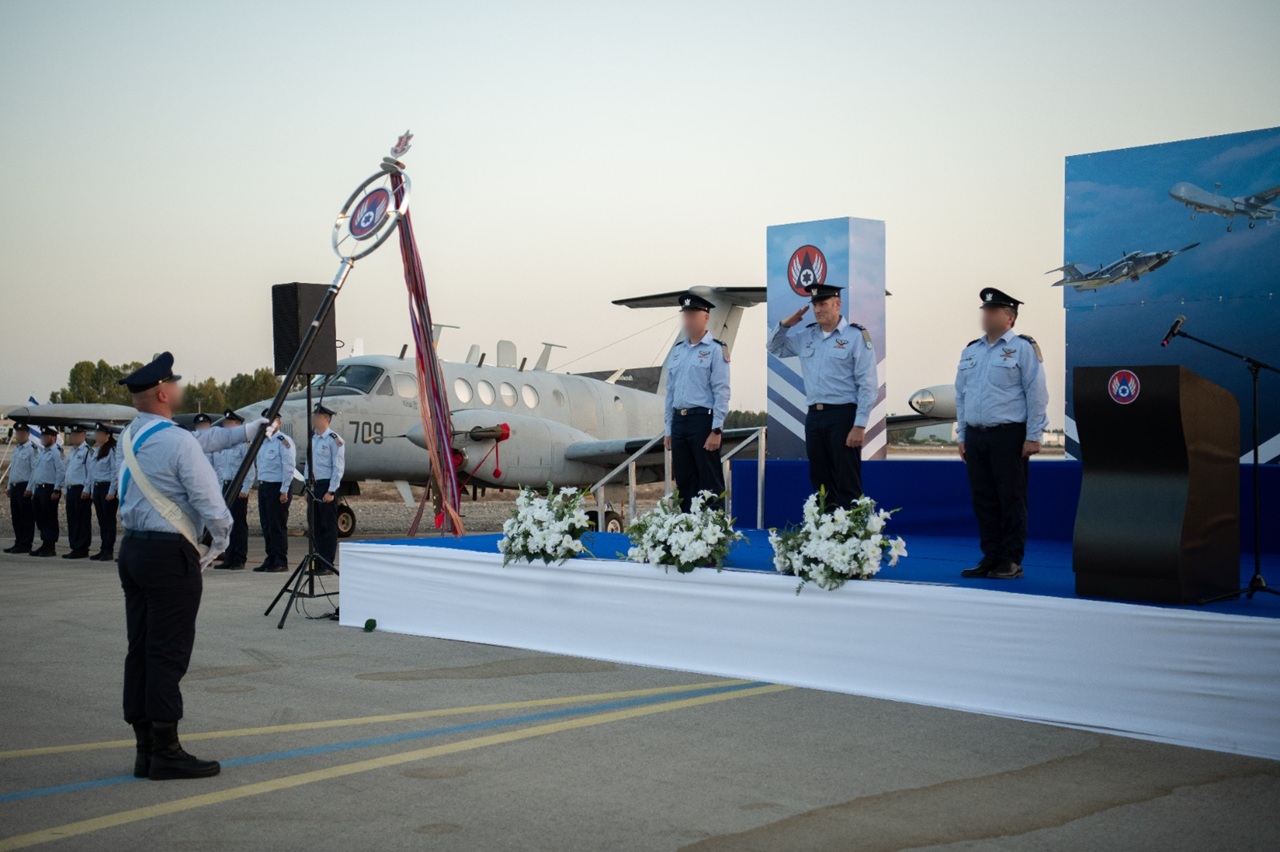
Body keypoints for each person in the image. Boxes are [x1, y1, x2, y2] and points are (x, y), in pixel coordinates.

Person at [114, 351, 262, 780]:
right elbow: (210, 501)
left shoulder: (134, 435)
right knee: (168, 652)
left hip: (134, 551)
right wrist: (221, 541)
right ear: (163, 393)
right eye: (174, 382)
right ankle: (167, 751)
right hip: (168, 556)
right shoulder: (177, 441)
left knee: (141, 649)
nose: (178, 386)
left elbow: (203, 442)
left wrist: (250, 430)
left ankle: (145, 749)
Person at [955, 287, 1049, 580]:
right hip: (976, 436)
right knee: (983, 499)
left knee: (1011, 499)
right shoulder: (971, 350)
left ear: (1010, 317)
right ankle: (991, 556)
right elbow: (961, 395)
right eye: (984, 310)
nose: (986, 314)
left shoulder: (1023, 348)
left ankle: (1011, 560)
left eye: (992, 310)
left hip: (1008, 435)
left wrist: (1033, 435)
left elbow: (1036, 393)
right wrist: (962, 435)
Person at [767, 282, 878, 508]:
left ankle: (851, 527)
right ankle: (825, 527)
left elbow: (868, 384)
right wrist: (785, 325)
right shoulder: (807, 336)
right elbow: (774, 347)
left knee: (847, 480)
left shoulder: (856, 336)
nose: (817, 310)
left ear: (837, 304)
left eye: (823, 304)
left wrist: (860, 425)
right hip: (815, 417)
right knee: (820, 481)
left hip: (843, 416)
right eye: (815, 305)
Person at [662, 292, 731, 512]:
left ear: (706, 318)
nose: (688, 320)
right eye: (686, 315)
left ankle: (715, 527)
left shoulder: (715, 350)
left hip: (702, 421)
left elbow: (722, 392)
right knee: (684, 482)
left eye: (693, 315)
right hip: (679, 422)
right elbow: (670, 393)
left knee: (709, 481)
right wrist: (668, 429)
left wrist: (717, 429)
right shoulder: (677, 351)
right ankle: (687, 526)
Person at [304, 403, 346, 574]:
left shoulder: (334, 440)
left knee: (327, 526)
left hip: (327, 486)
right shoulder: (313, 439)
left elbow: (338, 467)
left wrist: (331, 491)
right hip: (314, 486)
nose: (314, 419)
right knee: (315, 527)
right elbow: (308, 464)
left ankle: (327, 563)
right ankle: (318, 562)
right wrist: (307, 486)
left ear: (326, 419)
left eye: (318, 417)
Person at [254, 411, 295, 573]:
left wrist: (284, 490)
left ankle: (280, 560)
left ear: (278, 422)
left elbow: (288, 467)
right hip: (264, 486)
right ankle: (270, 558)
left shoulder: (283, 441)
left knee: (277, 525)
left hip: (277, 488)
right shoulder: (262, 442)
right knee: (266, 524)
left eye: (272, 421)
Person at [213, 410, 254, 571]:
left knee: (238, 523)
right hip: (226, 484)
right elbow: (220, 468)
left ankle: (239, 558)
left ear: (237, 425)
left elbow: (250, 468)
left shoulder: (244, 445)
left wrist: (246, 488)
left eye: (229, 423)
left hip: (238, 486)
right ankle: (229, 557)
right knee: (228, 523)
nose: (226, 426)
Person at [29, 425, 66, 557]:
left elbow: (61, 471)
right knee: (40, 517)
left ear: (53, 437)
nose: (43, 438)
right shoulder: (42, 452)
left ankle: (50, 546)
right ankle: (45, 542)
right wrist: (33, 489)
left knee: (49, 517)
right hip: (39, 489)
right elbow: (36, 472)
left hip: (50, 489)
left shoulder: (56, 452)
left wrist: (57, 489)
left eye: (46, 436)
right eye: (42, 436)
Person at [4, 423, 38, 554]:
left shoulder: (32, 449)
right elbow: (13, 469)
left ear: (28, 434)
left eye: (22, 433)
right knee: (16, 517)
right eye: (18, 433)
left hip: (25, 486)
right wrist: (9, 485)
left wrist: (29, 488)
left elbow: (34, 470)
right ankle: (18, 542)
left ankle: (25, 543)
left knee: (26, 517)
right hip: (15, 486)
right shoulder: (17, 449)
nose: (19, 435)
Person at [62, 424, 95, 559]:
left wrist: (87, 489)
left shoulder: (88, 452)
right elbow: (68, 472)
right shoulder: (73, 451)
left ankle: (82, 548)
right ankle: (74, 546)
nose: (74, 437)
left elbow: (91, 472)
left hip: (81, 490)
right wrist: (65, 489)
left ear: (84, 435)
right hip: (71, 489)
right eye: (72, 434)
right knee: (72, 519)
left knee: (82, 520)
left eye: (77, 434)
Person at [89, 423, 120, 561]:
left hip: (107, 487)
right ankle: (103, 548)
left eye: (100, 434)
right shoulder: (98, 450)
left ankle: (108, 550)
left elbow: (114, 471)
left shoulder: (112, 450)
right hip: (98, 487)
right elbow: (93, 472)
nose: (97, 436)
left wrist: (112, 491)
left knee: (109, 520)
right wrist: (91, 489)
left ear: (107, 435)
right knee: (102, 520)